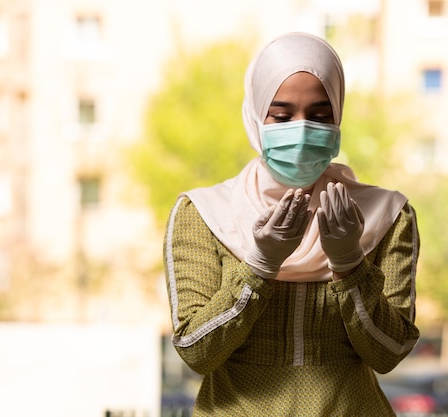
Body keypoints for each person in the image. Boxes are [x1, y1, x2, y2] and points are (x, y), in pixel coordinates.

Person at [163, 32, 420, 416]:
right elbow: (197, 352)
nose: (301, 130)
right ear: (255, 116)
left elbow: (389, 352)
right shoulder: (203, 213)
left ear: (339, 116)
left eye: (319, 115)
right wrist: (258, 267)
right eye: (282, 116)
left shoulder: (385, 215)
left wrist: (350, 264)